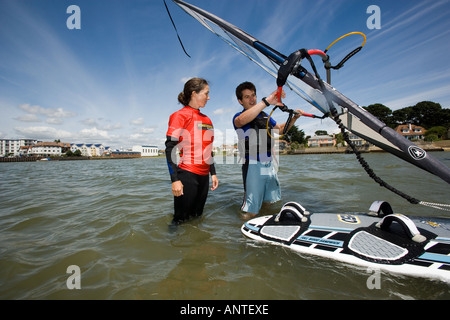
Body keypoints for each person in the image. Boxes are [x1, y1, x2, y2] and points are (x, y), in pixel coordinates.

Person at [233, 81, 303, 220]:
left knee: (269, 203)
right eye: (247, 97)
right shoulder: (238, 117)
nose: (252, 99)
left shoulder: (265, 115)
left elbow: (280, 130)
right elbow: (241, 121)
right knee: (252, 211)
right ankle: (242, 235)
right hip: (253, 165)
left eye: (253, 95)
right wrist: (267, 101)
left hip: (269, 164)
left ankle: (266, 226)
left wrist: (294, 118)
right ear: (240, 101)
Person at [165, 78, 219, 224]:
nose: (209, 97)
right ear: (194, 93)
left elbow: (208, 149)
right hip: (187, 174)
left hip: (203, 177)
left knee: (197, 217)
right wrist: (175, 180)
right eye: (206, 93)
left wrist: (213, 173)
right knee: (180, 220)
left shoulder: (207, 119)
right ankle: (176, 245)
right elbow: (170, 148)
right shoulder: (179, 115)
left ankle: (195, 246)